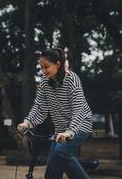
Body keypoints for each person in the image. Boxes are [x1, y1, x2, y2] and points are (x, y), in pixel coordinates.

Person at [17, 48, 92, 179]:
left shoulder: (72, 79)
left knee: (60, 153)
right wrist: (27, 122)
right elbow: (40, 106)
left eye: (47, 67)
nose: (44, 71)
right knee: (52, 169)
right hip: (60, 131)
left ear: (57, 64)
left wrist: (69, 132)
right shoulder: (44, 82)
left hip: (81, 125)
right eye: (41, 67)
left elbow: (79, 109)